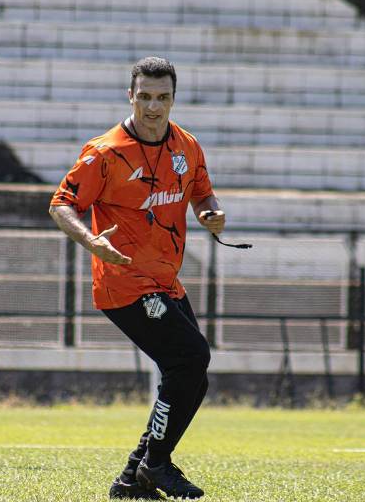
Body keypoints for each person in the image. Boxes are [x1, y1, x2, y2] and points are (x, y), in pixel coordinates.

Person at [49, 56, 226, 500]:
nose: (152, 107)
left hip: (167, 281)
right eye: (144, 96)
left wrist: (209, 213)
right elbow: (60, 204)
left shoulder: (187, 146)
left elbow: (201, 191)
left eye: (162, 98)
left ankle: (132, 480)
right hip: (123, 284)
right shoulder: (105, 152)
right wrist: (91, 240)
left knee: (192, 374)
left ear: (173, 98)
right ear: (131, 95)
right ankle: (157, 464)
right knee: (190, 358)